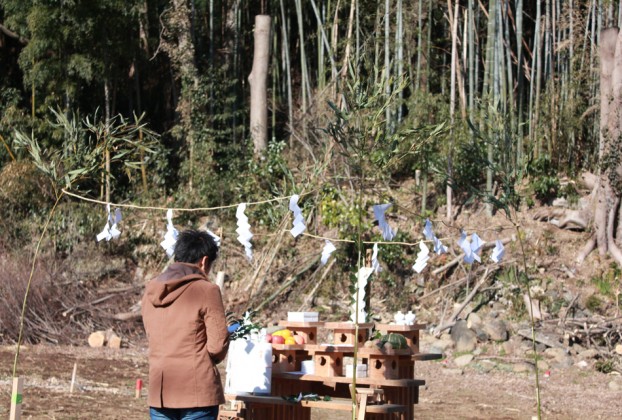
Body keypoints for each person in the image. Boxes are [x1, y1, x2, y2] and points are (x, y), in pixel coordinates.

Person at [141, 229, 229, 420]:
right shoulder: (207, 290)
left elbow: (151, 333)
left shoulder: (151, 290)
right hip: (197, 391)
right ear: (204, 261)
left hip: (161, 389)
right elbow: (217, 345)